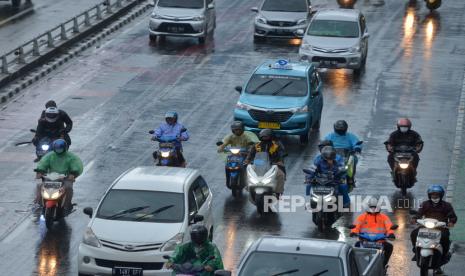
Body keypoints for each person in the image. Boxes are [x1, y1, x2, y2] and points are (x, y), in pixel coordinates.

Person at [410, 185, 457, 267]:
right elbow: (419, 213)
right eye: (433, 194)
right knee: (414, 233)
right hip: (425, 226)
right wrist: (414, 218)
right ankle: (416, 249)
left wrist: (451, 222)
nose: (435, 196)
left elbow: (452, 216)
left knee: (445, 238)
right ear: (429, 195)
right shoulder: (425, 204)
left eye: (437, 195)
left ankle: (444, 255)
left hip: (441, 227)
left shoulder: (446, 205)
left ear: (441, 195)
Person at [34, 139, 83, 212]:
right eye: (57, 148)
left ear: (64, 148)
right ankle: (38, 203)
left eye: (60, 148)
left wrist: (73, 174)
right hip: (51, 177)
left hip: (65, 178)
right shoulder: (50, 155)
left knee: (68, 187)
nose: (58, 150)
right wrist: (40, 171)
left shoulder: (71, 157)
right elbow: (43, 163)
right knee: (39, 185)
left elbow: (76, 165)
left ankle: (67, 205)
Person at [350, 197, 395, 267]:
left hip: (380, 241)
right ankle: (355, 267)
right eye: (371, 207)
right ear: (368, 207)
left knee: (389, 247)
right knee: (354, 248)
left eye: (375, 207)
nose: (373, 208)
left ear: (378, 207)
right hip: (364, 240)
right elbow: (356, 226)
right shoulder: (361, 217)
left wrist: (391, 233)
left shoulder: (384, 217)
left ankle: (383, 265)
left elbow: (389, 226)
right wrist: (353, 232)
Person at [245, 129, 286, 198]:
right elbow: (250, 154)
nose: (264, 138)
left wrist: (280, 161)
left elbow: (281, 153)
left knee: (280, 175)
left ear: (271, 136)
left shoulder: (277, 145)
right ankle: (248, 187)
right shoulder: (257, 145)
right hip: (259, 164)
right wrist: (247, 160)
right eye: (263, 137)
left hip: (273, 165)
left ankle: (278, 192)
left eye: (266, 136)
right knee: (248, 172)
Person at [324, 120, 362, 188]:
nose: (340, 131)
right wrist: (324, 147)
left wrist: (357, 148)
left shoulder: (350, 136)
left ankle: (350, 177)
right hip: (333, 155)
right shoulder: (330, 136)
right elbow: (324, 143)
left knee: (354, 159)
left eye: (342, 130)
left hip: (347, 155)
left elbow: (357, 143)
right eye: (339, 130)